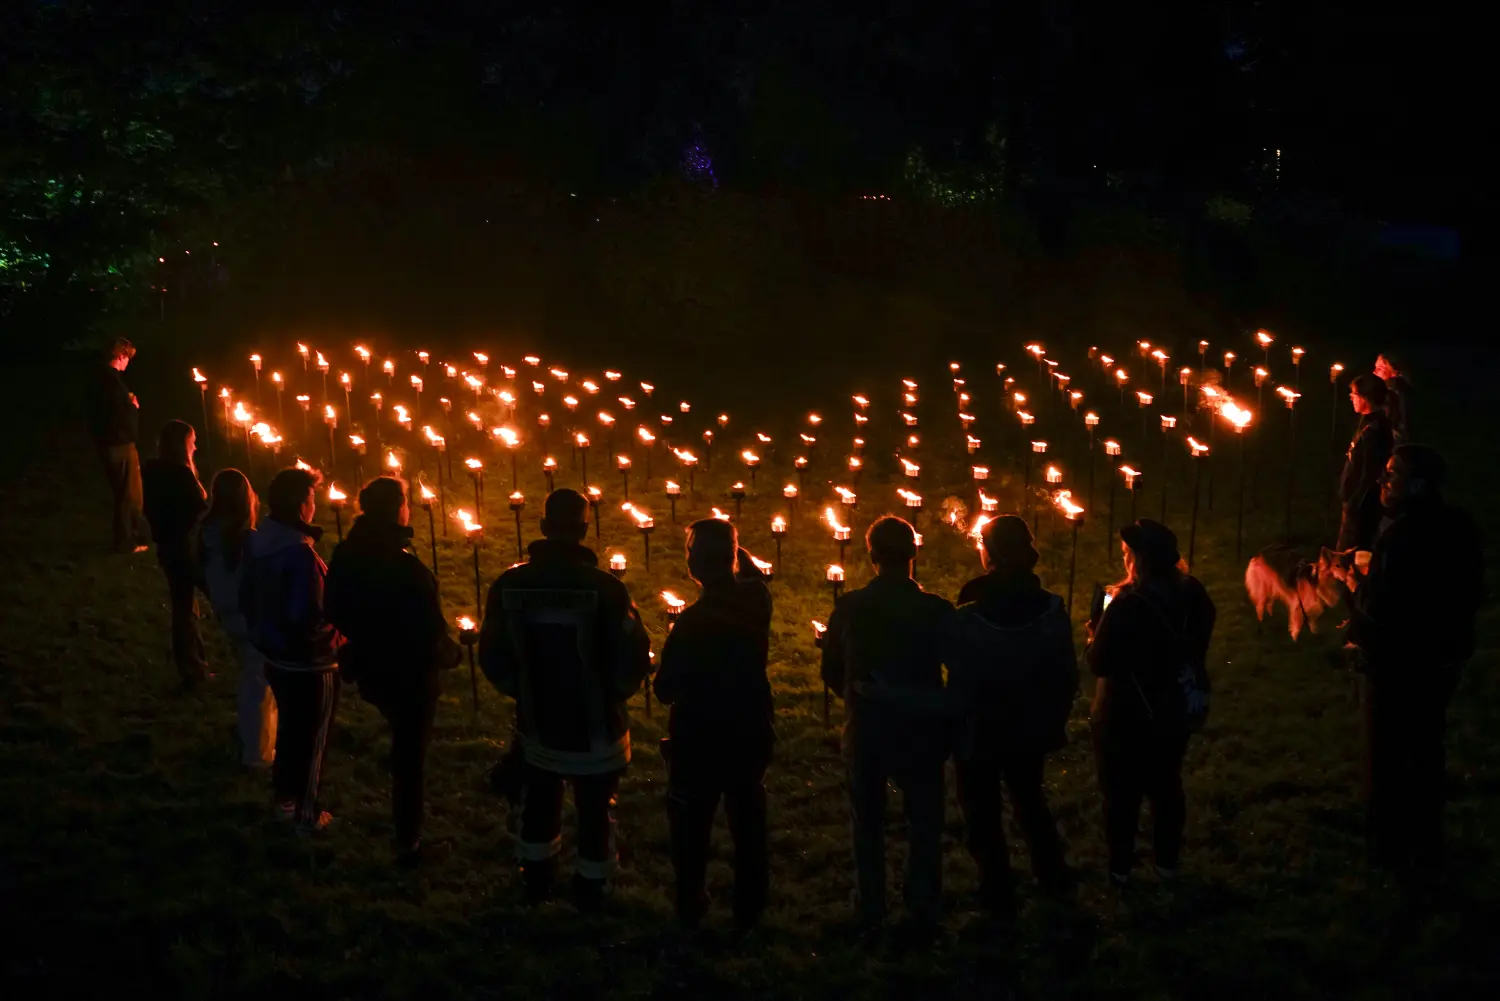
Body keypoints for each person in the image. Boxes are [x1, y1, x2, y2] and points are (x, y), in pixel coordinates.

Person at [478, 488, 652, 909]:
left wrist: (520, 690)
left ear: (542, 527)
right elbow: (634, 652)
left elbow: (492, 652)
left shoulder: (510, 583)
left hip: (538, 721)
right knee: (595, 805)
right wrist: (616, 693)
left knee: (539, 797)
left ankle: (535, 872)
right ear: (583, 529)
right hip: (596, 724)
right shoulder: (606, 588)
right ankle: (593, 881)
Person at [1344, 445, 1484, 887]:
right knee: (1425, 747)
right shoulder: (1460, 526)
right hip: (1442, 659)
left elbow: (1384, 610)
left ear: (1418, 484)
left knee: (1385, 756)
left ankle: (1387, 854)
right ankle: (1426, 844)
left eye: (1393, 475)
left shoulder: (1401, 537)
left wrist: (1356, 597)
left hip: (1396, 665)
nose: (1384, 482)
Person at [821, 515, 955, 930]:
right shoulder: (935, 610)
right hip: (921, 729)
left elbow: (832, 670)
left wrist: (864, 698)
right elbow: (960, 667)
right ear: (914, 553)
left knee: (868, 820)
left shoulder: (850, 609)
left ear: (872, 555)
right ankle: (921, 898)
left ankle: (872, 900)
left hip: (868, 728)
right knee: (925, 819)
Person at [326, 476, 461, 866]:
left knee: (402, 744)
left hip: (370, 665)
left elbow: (333, 607)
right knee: (409, 756)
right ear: (399, 507)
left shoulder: (347, 554)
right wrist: (450, 655)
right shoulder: (407, 570)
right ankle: (409, 843)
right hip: (409, 673)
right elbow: (431, 630)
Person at [653, 519, 774, 931]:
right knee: (748, 818)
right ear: (733, 557)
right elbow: (754, 575)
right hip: (749, 730)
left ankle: (691, 899)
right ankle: (750, 904)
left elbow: (665, 688)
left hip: (699, 738)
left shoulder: (691, 624)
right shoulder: (757, 600)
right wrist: (730, 548)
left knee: (691, 823)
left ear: (693, 565)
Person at [1086, 520, 1216, 885]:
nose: (1124, 559)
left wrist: (1095, 631)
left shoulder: (1128, 606)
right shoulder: (1193, 593)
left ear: (1140, 560)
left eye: (1128, 554)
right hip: (1175, 705)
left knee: (1120, 793)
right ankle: (1167, 863)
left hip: (1126, 714)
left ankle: (1121, 869)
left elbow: (1099, 662)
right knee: (1166, 783)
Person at [240, 465, 343, 835]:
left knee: (290, 733)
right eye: (312, 498)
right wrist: (340, 634)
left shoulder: (259, 542)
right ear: (302, 505)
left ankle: (283, 799)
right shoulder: (299, 555)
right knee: (313, 739)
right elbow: (309, 614)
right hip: (310, 663)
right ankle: (306, 813)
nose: (315, 505)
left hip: (275, 655)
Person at [196, 468, 277, 767]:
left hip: (228, 615)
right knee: (258, 684)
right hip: (250, 618)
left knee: (254, 678)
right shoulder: (247, 541)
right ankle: (257, 752)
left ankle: (257, 741)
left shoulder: (208, 535)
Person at [141, 420, 210, 687]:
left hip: (168, 548)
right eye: (192, 440)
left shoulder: (153, 471)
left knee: (184, 608)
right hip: (185, 550)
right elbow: (198, 512)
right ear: (183, 444)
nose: (196, 446)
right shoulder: (180, 476)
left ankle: (195, 667)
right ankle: (196, 668)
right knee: (217, 603)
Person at [87, 336, 148, 552]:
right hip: (118, 443)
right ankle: (125, 541)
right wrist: (132, 406)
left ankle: (132, 535)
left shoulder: (100, 377)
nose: (128, 363)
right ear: (121, 356)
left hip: (109, 442)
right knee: (128, 494)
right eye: (127, 358)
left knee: (129, 492)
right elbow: (117, 415)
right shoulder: (111, 382)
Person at [1337, 373, 1394, 552]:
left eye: (1354, 395)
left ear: (1365, 398)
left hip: (1362, 503)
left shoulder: (1375, 431)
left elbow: (1370, 471)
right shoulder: (1367, 422)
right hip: (1355, 498)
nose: (1351, 399)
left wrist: (1355, 501)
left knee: (1353, 548)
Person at [1374, 353, 1413, 444]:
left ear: (1392, 370)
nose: (1374, 372)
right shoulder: (1406, 388)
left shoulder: (1392, 389)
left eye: (1379, 368)